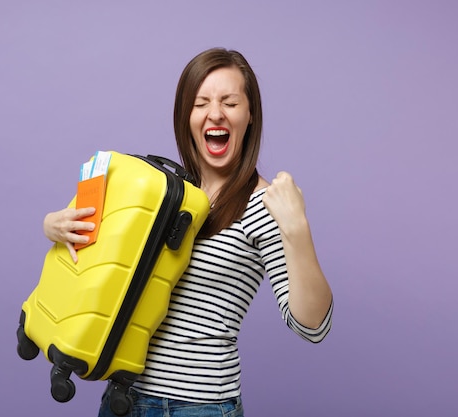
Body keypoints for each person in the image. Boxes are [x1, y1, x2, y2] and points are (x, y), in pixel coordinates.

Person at [42, 47, 333, 417]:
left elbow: (313, 327)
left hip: (202, 407)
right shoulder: (165, 194)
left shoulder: (265, 205)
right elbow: (101, 264)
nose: (216, 113)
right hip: (124, 399)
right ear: (186, 116)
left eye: (230, 102)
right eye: (201, 103)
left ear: (250, 116)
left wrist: (297, 228)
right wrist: (53, 227)